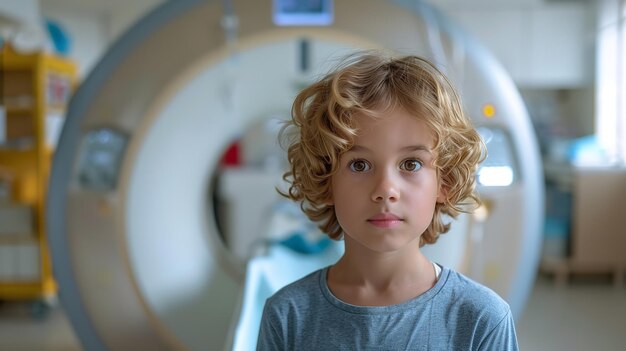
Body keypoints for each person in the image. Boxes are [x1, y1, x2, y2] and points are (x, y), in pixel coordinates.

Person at [256, 51, 519, 350]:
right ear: (325, 179)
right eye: (359, 165)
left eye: (410, 164)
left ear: (443, 182)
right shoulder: (287, 315)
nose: (385, 189)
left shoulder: (481, 320)